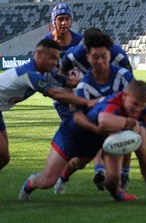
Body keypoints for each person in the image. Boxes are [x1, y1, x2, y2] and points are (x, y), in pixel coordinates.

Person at [0, 39, 96, 202]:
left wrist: (87, 83)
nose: (55, 62)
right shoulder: (30, 74)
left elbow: (65, 81)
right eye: (52, 58)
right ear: (38, 55)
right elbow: (56, 93)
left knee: (4, 156)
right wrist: (88, 102)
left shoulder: (43, 72)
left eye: (57, 58)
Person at [19, 80, 146, 208]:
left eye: (141, 105)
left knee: (113, 180)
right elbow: (104, 121)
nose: (138, 109)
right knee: (48, 181)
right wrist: (130, 122)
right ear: (125, 96)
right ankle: (31, 182)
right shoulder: (113, 103)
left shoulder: (136, 104)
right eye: (135, 104)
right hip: (71, 136)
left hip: (97, 140)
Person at [53, 28, 137, 194]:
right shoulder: (75, 54)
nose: (98, 59)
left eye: (102, 55)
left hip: (113, 98)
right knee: (82, 159)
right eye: (92, 54)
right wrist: (71, 90)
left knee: (129, 133)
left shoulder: (118, 55)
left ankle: (122, 174)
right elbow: (61, 72)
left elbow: (131, 83)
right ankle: (65, 175)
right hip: (89, 100)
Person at [42, 3, 83, 121]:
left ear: (71, 21)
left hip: (79, 89)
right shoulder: (46, 43)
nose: (64, 22)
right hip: (59, 92)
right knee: (72, 124)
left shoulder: (80, 41)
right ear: (54, 22)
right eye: (60, 19)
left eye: (67, 19)